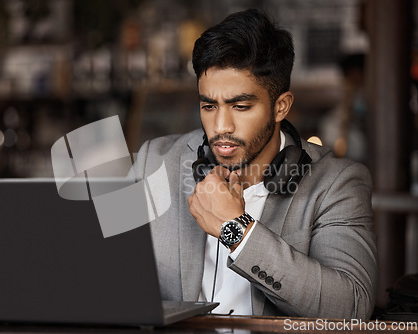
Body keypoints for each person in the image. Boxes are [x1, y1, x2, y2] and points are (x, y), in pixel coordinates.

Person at [130, 9, 377, 319]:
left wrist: (238, 231)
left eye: (241, 106)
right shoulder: (154, 163)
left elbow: (351, 307)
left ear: (280, 106)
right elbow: (91, 261)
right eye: (209, 106)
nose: (221, 126)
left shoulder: (336, 184)